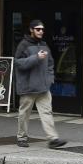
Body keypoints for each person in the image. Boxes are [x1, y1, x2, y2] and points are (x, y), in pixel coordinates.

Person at [14, 19, 66, 149]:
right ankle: (21, 138)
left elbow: (50, 63)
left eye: (42, 29)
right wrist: (36, 58)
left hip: (43, 87)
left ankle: (53, 139)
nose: (41, 31)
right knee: (24, 114)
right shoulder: (23, 45)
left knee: (47, 112)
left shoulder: (44, 44)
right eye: (38, 29)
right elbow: (18, 63)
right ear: (31, 30)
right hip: (28, 87)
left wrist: (50, 78)